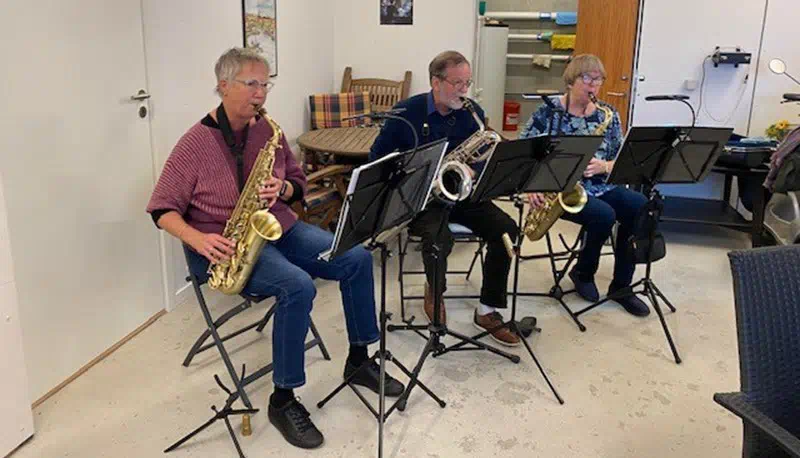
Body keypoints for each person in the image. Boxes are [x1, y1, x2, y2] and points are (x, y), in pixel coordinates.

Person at [146, 47, 404, 450]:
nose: (261, 93)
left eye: (265, 85)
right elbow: (161, 209)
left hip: (277, 226)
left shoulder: (268, 130)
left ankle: (358, 361)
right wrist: (197, 239)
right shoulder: (193, 144)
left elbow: (298, 181)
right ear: (223, 85)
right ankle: (282, 400)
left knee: (355, 257)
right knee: (297, 286)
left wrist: (282, 189)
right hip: (229, 245)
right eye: (252, 84)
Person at [370, 50, 520, 346]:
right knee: (438, 240)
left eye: (467, 82)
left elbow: (486, 156)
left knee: (506, 230)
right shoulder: (405, 113)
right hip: (423, 198)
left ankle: (487, 310)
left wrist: (474, 171)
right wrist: (412, 174)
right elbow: (378, 159)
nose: (465, 90)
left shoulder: (471, 112)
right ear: (435, 82)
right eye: (457, 83)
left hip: (462, 192)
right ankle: (435, 292)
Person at [519, 54, 650, 317]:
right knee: (604, 215)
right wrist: (532, 186)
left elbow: (621, 158)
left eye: (598, 80)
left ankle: (622, 286)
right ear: (571, 80)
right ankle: (583, 272)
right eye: (587, 78)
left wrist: (605, 166)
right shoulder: (548, 112)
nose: (593, 85)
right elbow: (523, 154)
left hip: (600, 185)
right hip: (560, 190)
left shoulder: (607, 114)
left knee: (639, 206)